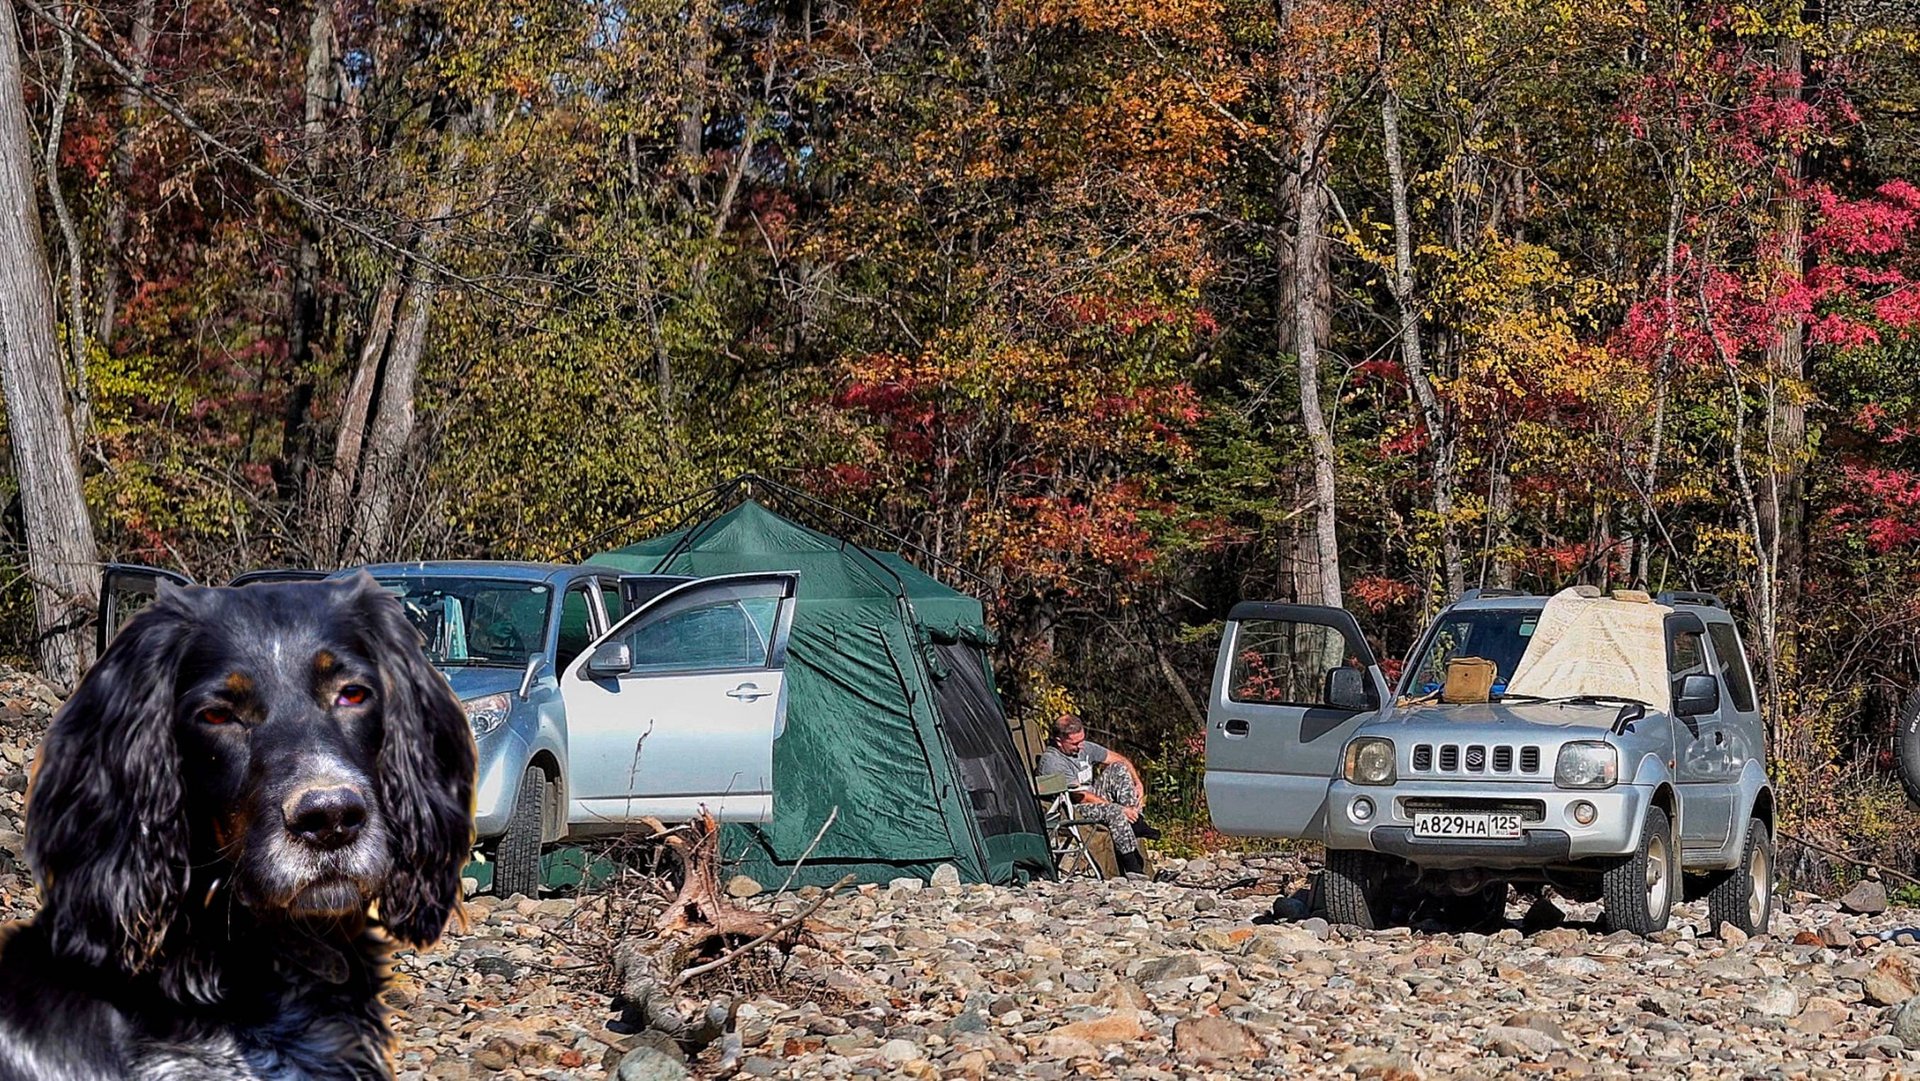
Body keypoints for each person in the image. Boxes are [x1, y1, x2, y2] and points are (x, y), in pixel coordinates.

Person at [1036, 714, 1156, 876]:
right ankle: (1133, 869)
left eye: (1082, 740)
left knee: (1119, 769)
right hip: (1071, 807)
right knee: (1115, 812)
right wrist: (1118, 808)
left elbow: (1120, 760)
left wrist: (1137, 782)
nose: (1080, 747)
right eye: (1075, 743)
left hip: (1091, 796)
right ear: (1059, 741)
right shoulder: (1052, 761)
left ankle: (1136, 821)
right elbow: (1080, 796)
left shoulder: (1083, 747)